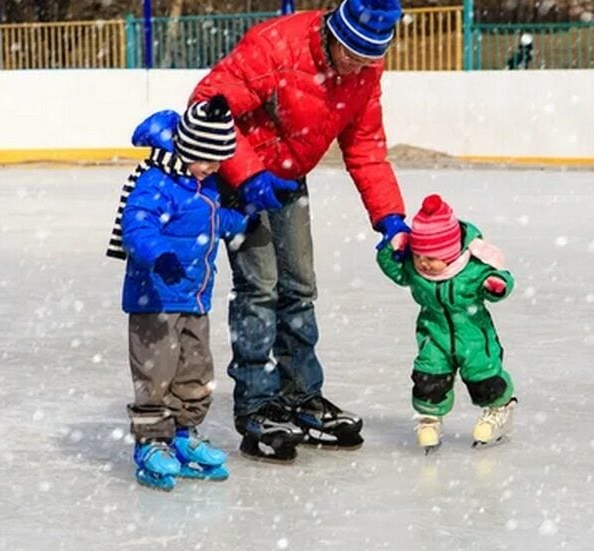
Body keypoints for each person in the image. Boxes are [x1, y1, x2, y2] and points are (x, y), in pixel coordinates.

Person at [188, 0, 410, 463]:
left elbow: (366, 145)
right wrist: (248, 175)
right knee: (261, 288)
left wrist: (389, 217)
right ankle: (257, 404)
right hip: (238, 174)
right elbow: (208, 104)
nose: (355, 65)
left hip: (288, 178)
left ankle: (300, 395)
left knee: (300, 286)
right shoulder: (277, 46)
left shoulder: (365, 70)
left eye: (368, 57)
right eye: (349, 52)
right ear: (333, 30)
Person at [118, 96, 279, 491]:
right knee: (155, 373)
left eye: (217, 162)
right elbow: (136, 226)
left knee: (195, 371)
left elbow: (211, 218)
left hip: (194, 298)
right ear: (188, 148)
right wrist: (160, 256)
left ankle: (183, 435)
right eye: (205, 160)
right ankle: (152, 443)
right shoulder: (156, 181)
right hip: (155, 298)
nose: (211, 169)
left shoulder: (202, 185)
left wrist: (242, 221)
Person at [375, 194, 518, 452]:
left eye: (431, 258)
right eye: (419, 257)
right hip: (433, 334)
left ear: (451, 254)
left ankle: (500, 409)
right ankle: (429, 418)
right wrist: (391, 247)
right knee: (429, 377)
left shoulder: (472, 270)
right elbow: (395, 270)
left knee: (483, 377)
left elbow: (500, 278)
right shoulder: (416, 270)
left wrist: (496, 286)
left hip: (474, 337)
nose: (423, 264)